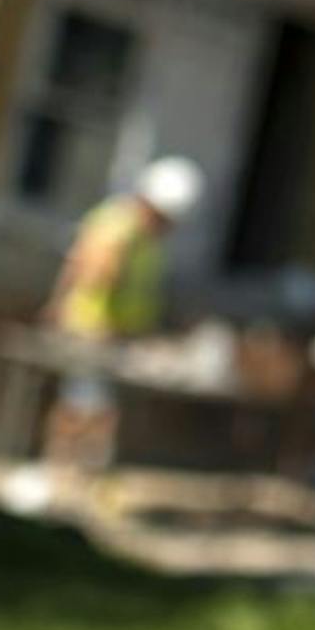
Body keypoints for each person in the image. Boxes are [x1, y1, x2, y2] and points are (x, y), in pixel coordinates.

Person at [37, 156, 204, 470]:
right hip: (92, 329)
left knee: (96, 404)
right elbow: (90, 271)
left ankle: (81, 472)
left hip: (120, 335)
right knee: (84, 405)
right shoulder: (117, 226)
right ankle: (63, 469)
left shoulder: (146, 238)